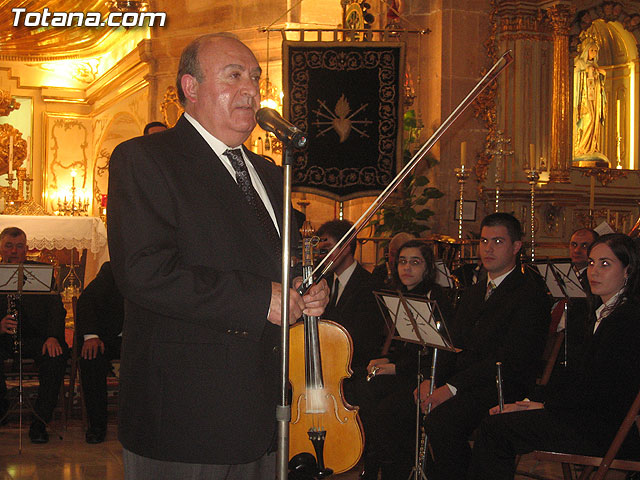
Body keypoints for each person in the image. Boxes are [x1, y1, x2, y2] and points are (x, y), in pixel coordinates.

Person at [107, 32, 329, 479]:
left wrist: (306, 288)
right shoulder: (145, 159)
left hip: (267, 411)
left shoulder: (269, 173)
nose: (251, 88)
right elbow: (144, 273)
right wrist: (259, 300)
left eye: (255, 77)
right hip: (187, 417)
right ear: (191, 87)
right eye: (234, 76)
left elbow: (273, 266)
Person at [469, 233, 640, 479]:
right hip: (584, 416)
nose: (594, 271)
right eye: (591, 263)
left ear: (627, 270)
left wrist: (543, 406)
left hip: (603, 430)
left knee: (494, 430)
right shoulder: (602, 313)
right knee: (497, 420)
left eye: (605, 264)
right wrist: (528, 401)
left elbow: (602, 390)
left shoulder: (627, 319)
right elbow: (575, 378)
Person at [414, 213, 551, 480]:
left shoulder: (529, 294)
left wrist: (450, 389)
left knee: (442, 422)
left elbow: (508, 358)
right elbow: (453, 343)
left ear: (516, 247)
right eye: (484, 241)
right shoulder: (475, 290)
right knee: (410, 406)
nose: (487, 248)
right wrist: (433, 379)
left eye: (498, 241)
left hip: (503, 384)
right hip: (468, 381)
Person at [360, 239, 453, 479]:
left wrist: (394, 368)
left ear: (427, 267)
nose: (407, 268)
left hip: (426, 376)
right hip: (407, 370)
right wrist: (382, 360)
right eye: (402, 261)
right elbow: (404, 346)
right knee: (363, 395)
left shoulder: (436, 297)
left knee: (387, 411)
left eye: (415, 262)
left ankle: (392, 470)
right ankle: (370, 467)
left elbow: (436, 351)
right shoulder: (400, 293)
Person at [0, 227, 68, 443]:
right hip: (2, 336)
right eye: (8, 246)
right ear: (1, 248)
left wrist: (52, 336)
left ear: (27, 249)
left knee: (56, 356)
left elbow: (57, 309)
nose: (14, 251)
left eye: (19, 246)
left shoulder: (41, 274)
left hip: (35, 337)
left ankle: (40, 422)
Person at [317, 219, 386, 374]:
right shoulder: (324, 282)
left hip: (355, 368)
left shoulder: (371, 285)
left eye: (328, 249)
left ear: (347, 247)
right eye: (321, 251)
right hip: (325, 363)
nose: (323, 256)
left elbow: (365, 338)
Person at [75, 261, 124, 444]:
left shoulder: (161, 269)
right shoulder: (112, 269)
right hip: (110, 337)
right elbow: (86, 300)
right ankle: (97, 426)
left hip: (142, 339)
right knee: (91, 356)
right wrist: (91, 336)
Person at [573, 40, 607, 160]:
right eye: (592, 50)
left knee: (594, 121)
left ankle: (591, 146)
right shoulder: (580, 62)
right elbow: (575, 76)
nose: (594, 52)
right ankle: (582, 147)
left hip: (594, 98)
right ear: (586, 50)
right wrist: (586, 72)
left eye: (596, 51)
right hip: (584, 98)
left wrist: (600, 73)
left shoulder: (596, 65)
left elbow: (600, 81)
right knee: (588, 118)